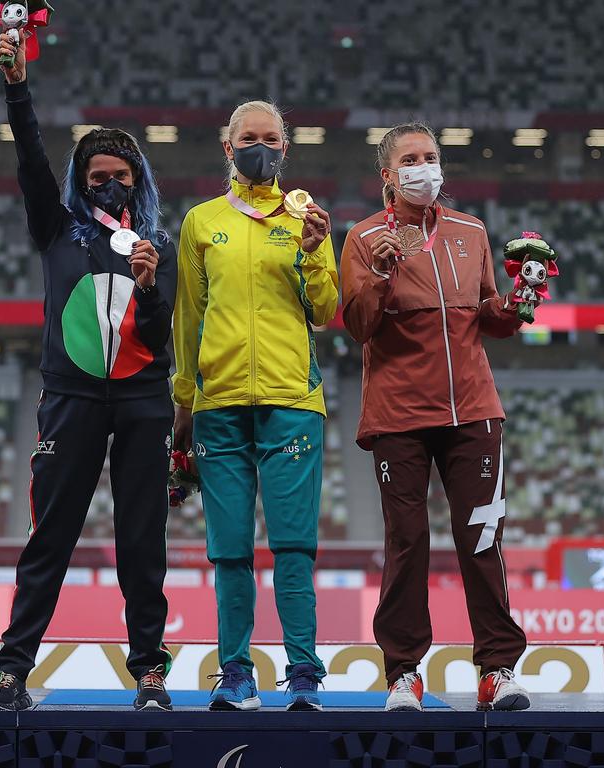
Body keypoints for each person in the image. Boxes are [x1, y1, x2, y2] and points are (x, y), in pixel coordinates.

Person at [0, 31, 177, 712]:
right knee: (51, 538)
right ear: (80, 182)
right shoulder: (57, 228)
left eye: (121, 175)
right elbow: (31, 161)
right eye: (98, 177)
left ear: (139, 180)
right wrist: (17, 87)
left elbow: (161, 342)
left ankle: (151, 672)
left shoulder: (159, 245)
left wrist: (150, 288)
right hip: (70, 399)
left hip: (144, 400)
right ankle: (11, 673)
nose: (111, 184)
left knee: (141, 541)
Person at [340, 122, 530, 712]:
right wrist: (380, 273)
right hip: (399, 415)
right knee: (407, 543)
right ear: (388, 176)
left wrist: (517, 303)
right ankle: (403, 674)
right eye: (411, 159)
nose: (424, 168)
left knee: (483, 539)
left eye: (431, 157)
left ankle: (497, 670)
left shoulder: (471, 231)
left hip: (474, 410)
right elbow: (358, 326)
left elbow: (484, 317)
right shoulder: (364, 238)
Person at [172, 101, 339, 712]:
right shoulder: (200, 222)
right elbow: (189, 317)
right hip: (217, 405)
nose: (259, 148)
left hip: (292, 400)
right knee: (231, 550)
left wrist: (318, 250)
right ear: (228, 147)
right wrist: (183, 405)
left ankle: (303, 675)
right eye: (249, 138)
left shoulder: (306, 219)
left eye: (270, 139)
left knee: (294, 547)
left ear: (285, 150)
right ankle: (236, 675)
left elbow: (325, 309)